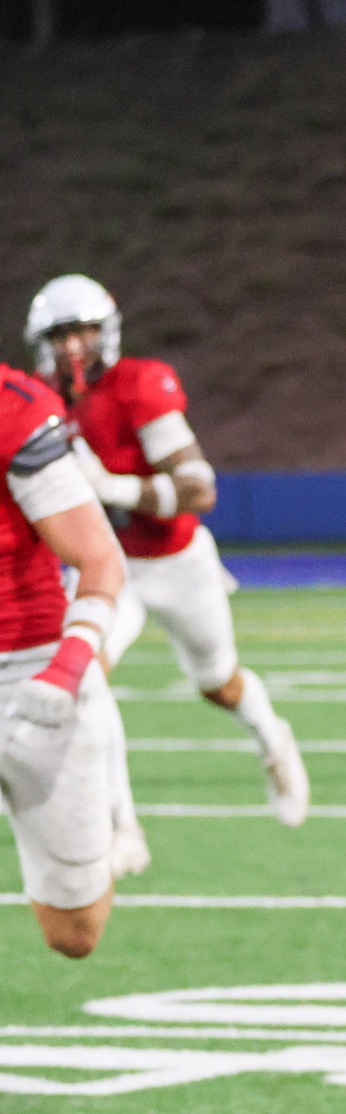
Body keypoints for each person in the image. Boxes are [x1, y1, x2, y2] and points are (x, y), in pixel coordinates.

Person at [26, 274, 308, 871]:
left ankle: (272, 738)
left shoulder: (140, 384)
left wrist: (114, 488)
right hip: (111, 563)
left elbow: (198, 488)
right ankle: (121, 826)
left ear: (106, 332)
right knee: (86, 677)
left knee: (219, 683)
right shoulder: (42, 405)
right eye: (59, 336)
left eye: (80, 333)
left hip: (178, 560)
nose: (72, 348)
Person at [0, 359, 130, 957]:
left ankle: (115, 816)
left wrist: (69, 666)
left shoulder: (12, 408)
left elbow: (101, 558)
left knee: (74, 935)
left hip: (30, 673)